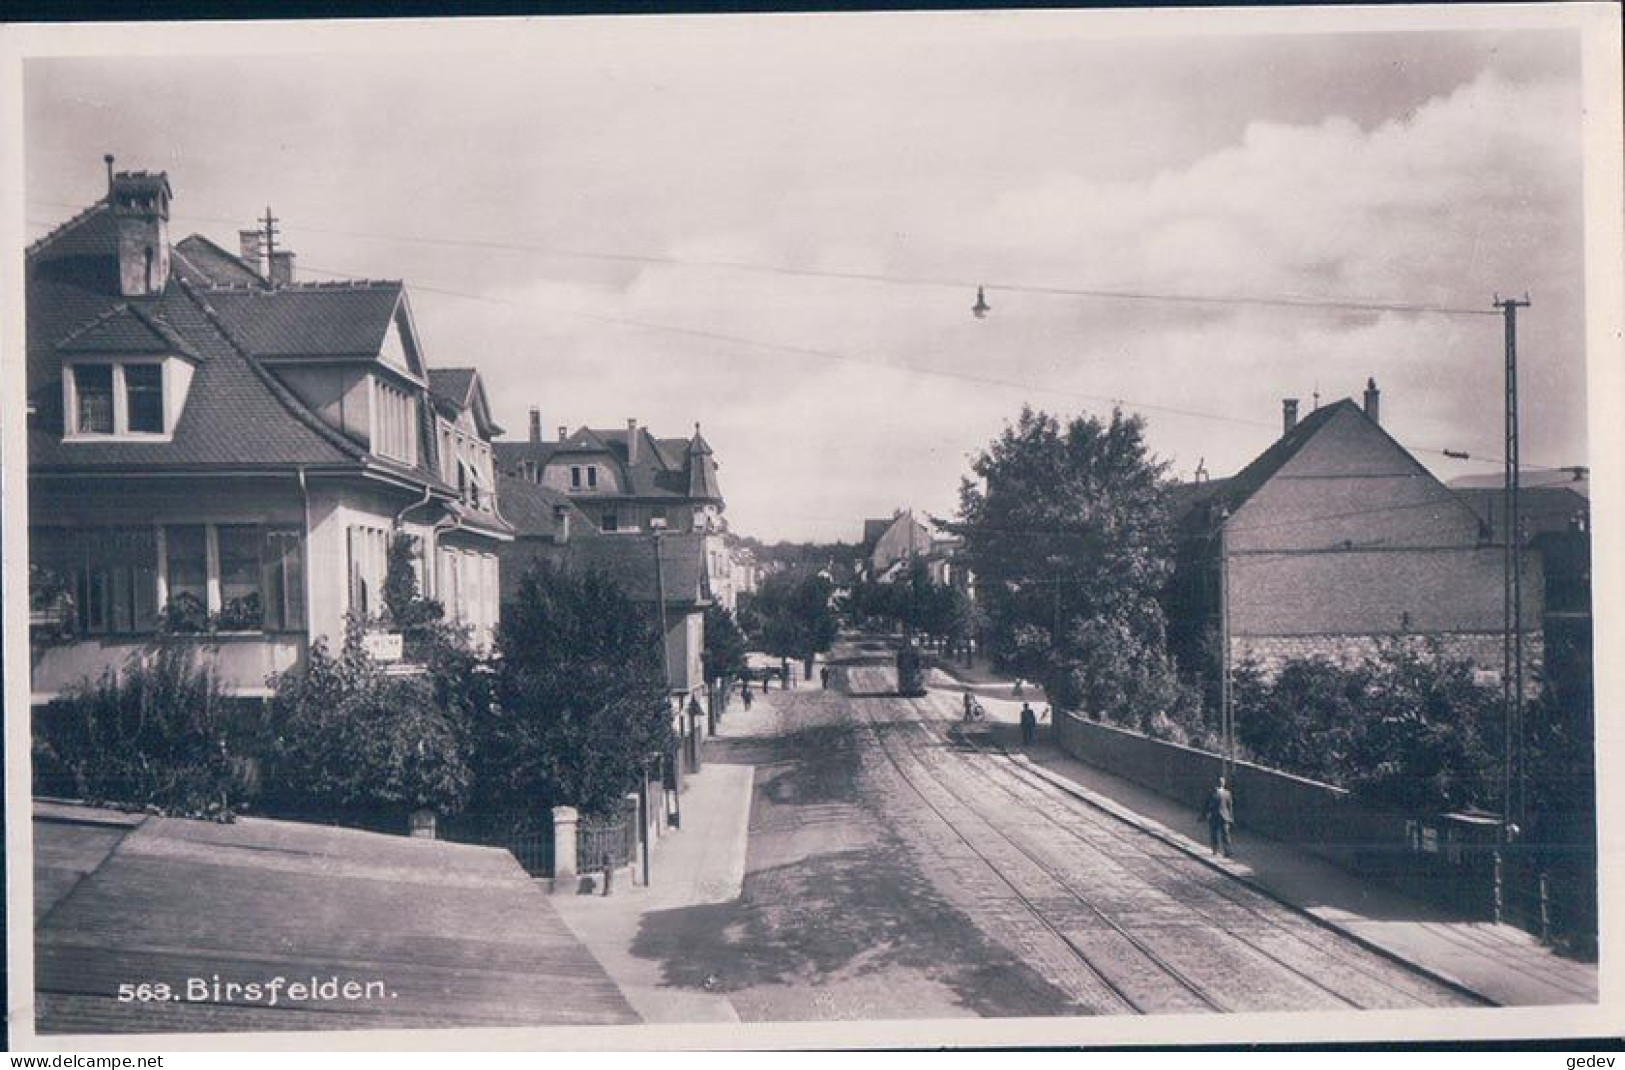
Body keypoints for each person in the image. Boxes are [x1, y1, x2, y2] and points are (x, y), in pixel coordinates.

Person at [1202, 776, 1235, 857]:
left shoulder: (1227, 793)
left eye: (1222, 783)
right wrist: (1204, 815)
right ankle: (1215, 849)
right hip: (1214, 816)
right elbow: (1206, 805)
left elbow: (1230, 806)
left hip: (1224, 817)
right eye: (1220, 783)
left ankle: (1227, 851)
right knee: (1214, 834)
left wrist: (1231, 818)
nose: (1221, 784)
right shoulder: (1212, 793)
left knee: (1225, 835)